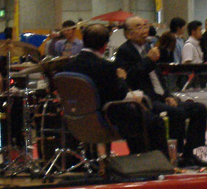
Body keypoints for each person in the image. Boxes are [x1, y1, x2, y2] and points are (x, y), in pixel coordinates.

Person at [115, 16, 207, 166]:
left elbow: (158, 79)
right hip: (145, 100)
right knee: (177, 113)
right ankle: (173, 155)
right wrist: (148, 60)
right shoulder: (124, 51)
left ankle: (191, 154)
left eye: (145, 26)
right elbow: (129, 77)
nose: (144, 30)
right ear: (128, 34)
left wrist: (168, 96)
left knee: (199, 109)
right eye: (138, 27)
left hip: (160, 97)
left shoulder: (148, 48)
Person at [61, 23, 167, 155]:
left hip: (75, 118)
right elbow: (119, 95)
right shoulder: (106, 66)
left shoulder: (68, 66)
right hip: (105, 117)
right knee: (153, 121)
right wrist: (121, 78)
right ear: (105, 45)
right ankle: (146, 159)